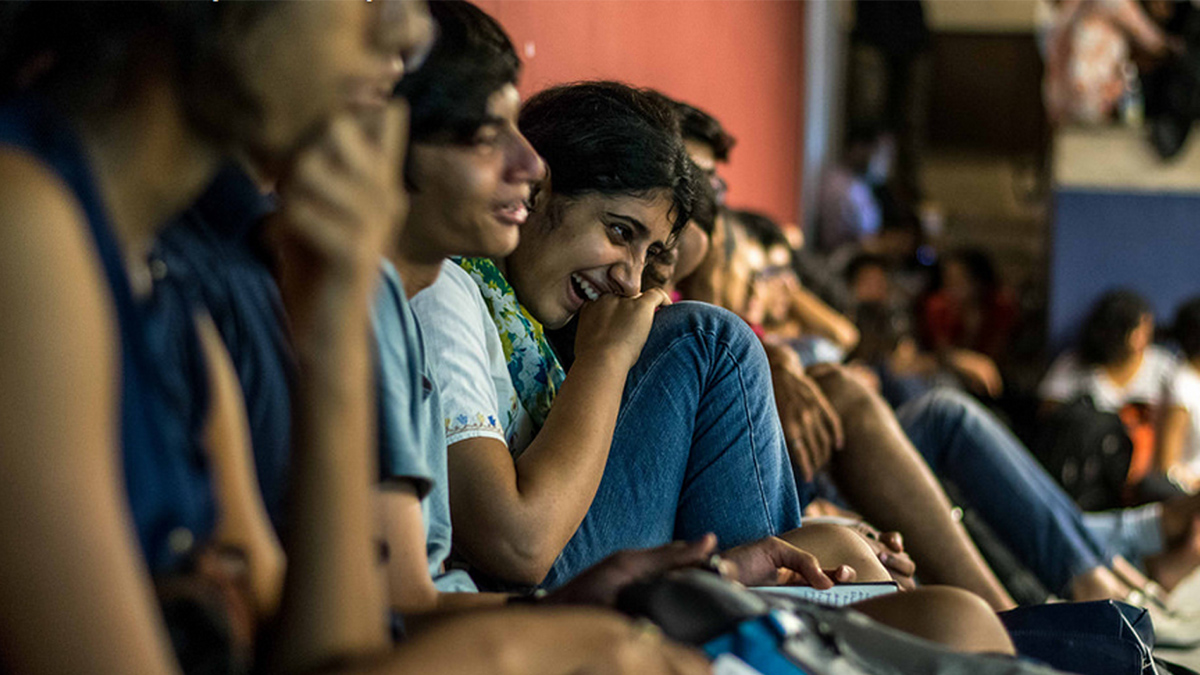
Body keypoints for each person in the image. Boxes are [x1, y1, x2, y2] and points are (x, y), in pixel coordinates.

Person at [0, 4, 714, 674]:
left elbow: (336, 649)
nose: (407, 32)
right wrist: (520, 647)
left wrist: (339, 320)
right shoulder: (25, 225)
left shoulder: (181, 270)